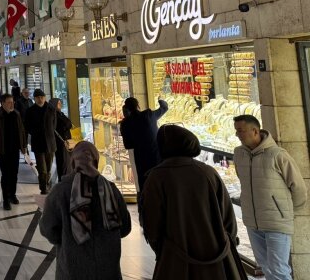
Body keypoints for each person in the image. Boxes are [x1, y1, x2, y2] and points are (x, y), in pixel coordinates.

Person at [141, 125, 247, 280]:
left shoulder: (157, 177)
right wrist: (227, 244)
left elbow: (152, 225)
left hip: (176, 261)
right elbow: (228, 218)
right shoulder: (208, 172)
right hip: (216, 260)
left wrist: (162, 251)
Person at [39, 141, 131, 280]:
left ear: (73, 163)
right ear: (96, 162)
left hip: (72, 272)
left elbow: (48, 230)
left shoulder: (60, 191)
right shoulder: (111, 190)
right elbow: (125, 228)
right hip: (108, 273)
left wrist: (67, 238)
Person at [233, 115, 307, 280]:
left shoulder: (278, 155)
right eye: (236, 130)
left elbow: (299, 188)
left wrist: (284, 212)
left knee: (279, 269)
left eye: (240, 130)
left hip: (276, 222)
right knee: (265, 266)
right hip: (252, 222)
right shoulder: (239, 153)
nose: (237, 134)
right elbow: (243, 180)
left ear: (255, 131)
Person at [119, 96, 168, 192]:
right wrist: (160, 99)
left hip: (141, 159)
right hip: (157, 156)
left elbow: (128, 145)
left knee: (145, 186)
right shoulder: (149, 115)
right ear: (138, 105)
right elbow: (164, 107)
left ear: (126, 109)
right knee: (159, 184)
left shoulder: (126, 123)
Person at [0, 93, 26, 210]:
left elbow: (22, 130)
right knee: (6, 174)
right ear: (2, 103)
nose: (12, 104)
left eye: (12, 102)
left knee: (14, 173)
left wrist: (23, 146)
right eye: (9, 102)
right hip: (3, 149)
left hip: (15, 149)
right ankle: (6, 199)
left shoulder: (16, 114)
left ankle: (12, 195)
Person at [24, 89, 56, 194]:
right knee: (42, 169)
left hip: (50, 143)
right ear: (34, 99)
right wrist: (35, 132)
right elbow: (27, 126)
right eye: (38, 97)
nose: (40, 99)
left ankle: (47, 184)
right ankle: (43, 188)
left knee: (49, 167)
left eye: (42, 97)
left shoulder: (51, 109)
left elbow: (54, 124)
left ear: (45, 97)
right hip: (38, 142)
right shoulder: (30, 111)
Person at [51, 98, 73, 182]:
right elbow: (66, 124)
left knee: (66, 160)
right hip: (60, 141)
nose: (60, 105)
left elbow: (69, 123)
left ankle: (65, 177)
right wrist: (67, 125)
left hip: (65, 140)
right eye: (58, 103)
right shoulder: (54, 115)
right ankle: (62, 179)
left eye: (60, 103)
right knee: (62, 161)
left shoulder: (61, 113)